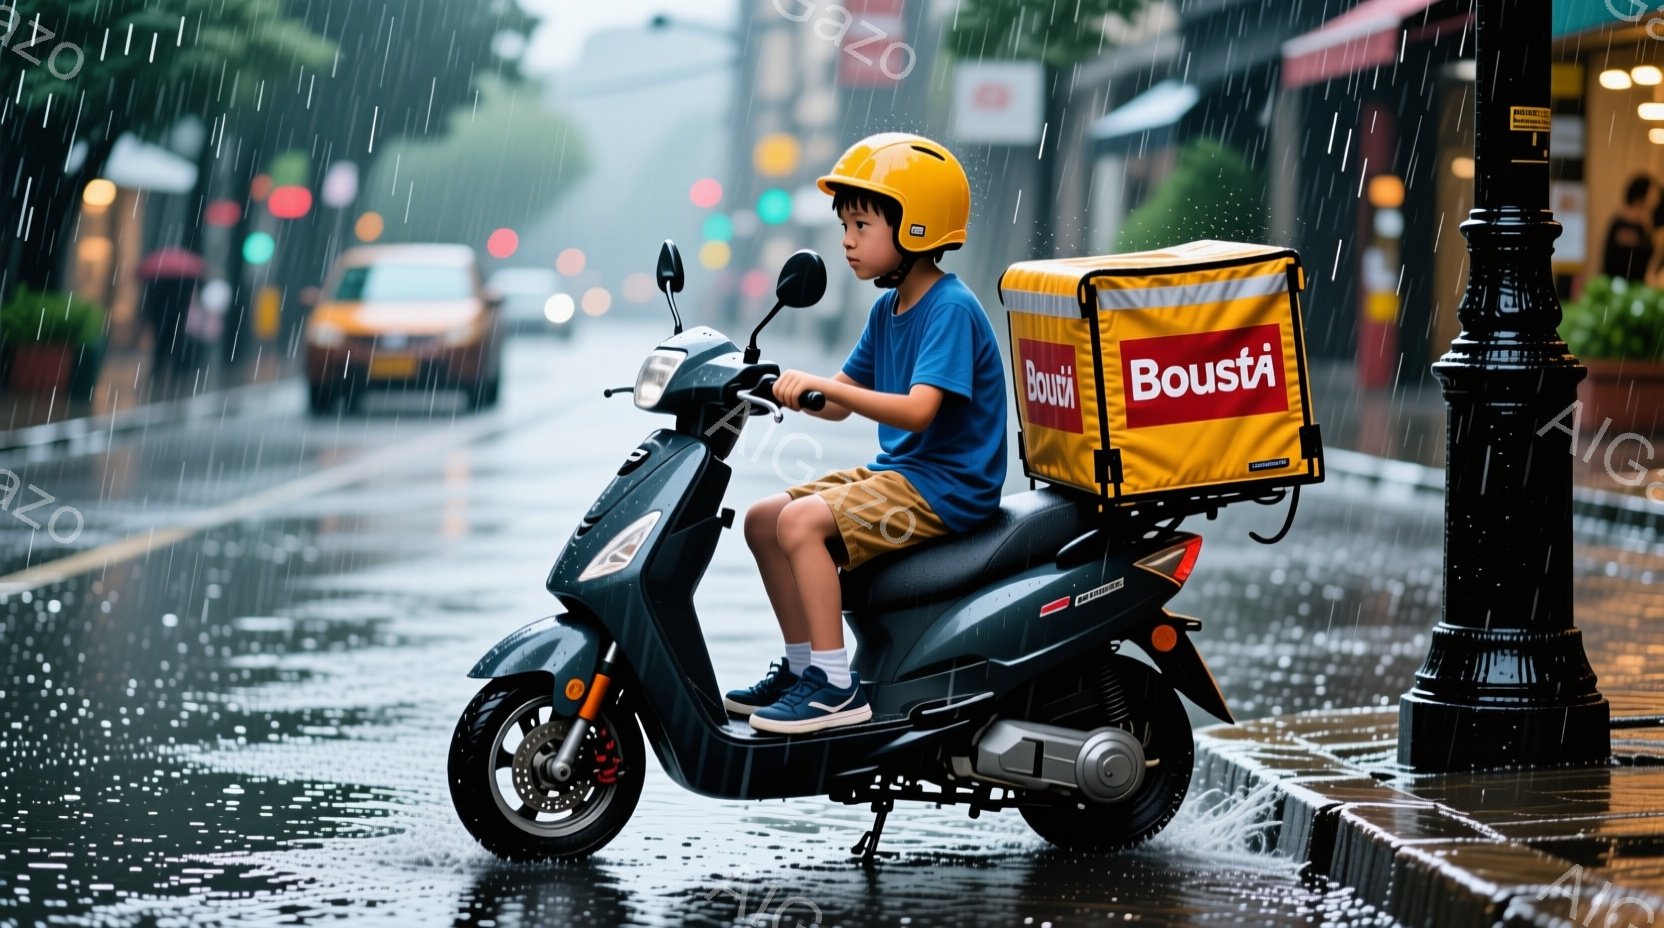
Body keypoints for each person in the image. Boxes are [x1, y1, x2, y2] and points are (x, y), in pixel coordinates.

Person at [722, 133, 1009, 735]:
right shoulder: (890, 309)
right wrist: (782, 387)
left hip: (949, 487)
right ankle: (804, 667)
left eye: (861, 225)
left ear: (917, 231)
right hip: (904, 475)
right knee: (761, 518)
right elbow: (839, 403)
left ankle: (834, 685)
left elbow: (917, 412)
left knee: (801, 524)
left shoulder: (949, 308)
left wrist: (832, 389)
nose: (847, 240)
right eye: (845, 225)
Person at [1603, 174, 1658, 282]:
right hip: (1616, 283)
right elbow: (1611, 259)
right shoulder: (1620, 222)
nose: (1655, 197)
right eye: (1651, 193)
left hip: (1640, 285)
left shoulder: (1647, 224)